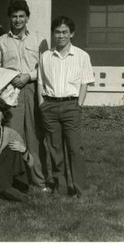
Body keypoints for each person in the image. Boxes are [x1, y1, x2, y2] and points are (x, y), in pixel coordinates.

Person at [0, 0, 49, 191]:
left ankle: (39, 181)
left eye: (21, 16)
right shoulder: (1, 42)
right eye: (14, 16)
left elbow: (46, 67)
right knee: (14, 135)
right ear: (10, 18)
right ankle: (18, 180)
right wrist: (11, 76)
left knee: (35, 135)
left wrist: (28, 76)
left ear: (27, 17)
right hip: (9, 92)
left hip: (32, 90)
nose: (18, 20)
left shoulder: (39, 40)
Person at [38, 16, 94, 198]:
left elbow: (85, 83)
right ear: (53, 34)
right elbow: (40, 82)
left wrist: (79, 105)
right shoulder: (46, 56)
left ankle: (81, 190)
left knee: (75, 149)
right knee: (55, 149)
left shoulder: (81, 56)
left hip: (71, 106)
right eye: (57, 32)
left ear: (72, 34)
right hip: (50, 106)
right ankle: (60, 189)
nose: (60, 36)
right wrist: (42, 104)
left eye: (64, 32)